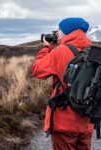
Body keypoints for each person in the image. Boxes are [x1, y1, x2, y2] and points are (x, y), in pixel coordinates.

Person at [32, 17, 94, 150]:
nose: (57, 33)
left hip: (64, 121)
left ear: (67, 31)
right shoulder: (93, 51)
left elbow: (37, 70)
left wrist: (47, 48)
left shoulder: (61, 51)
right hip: (87, 121)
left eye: (60, 29)